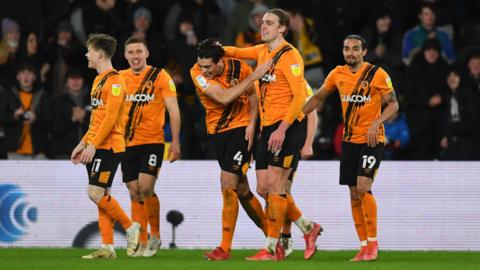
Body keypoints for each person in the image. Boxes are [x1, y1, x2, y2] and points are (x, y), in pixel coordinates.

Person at [224, 8, 322, 261]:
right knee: (264, 189)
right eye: (262, 22)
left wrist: (283, 128)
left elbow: (301, 96)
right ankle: (308, 227)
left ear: (282, 29)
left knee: (277, 187)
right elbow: (236, 51)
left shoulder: (291, 56)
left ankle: (271, 248)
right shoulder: (261, 51)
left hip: (286, 127)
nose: (263, 26)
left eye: (269, 23)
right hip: (267, 128)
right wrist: (215, 48)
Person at [303, 34, 399, 261]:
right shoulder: (337, 74)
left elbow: (393, 103)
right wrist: (295, 117)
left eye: (355, 48)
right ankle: (363, 245)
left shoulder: (377, 74)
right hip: (349, 141)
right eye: (347, 48)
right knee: (354, 193)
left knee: (364, 186)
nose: (350, 53)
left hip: (371, 141)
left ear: (364, 52)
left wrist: (377, 123)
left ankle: (373, 245)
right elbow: (318, 98)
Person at [190, 38, 270, 260]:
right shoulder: (195, 72)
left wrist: (252, 125)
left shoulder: (240, 67)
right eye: (201, 65)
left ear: (220, 61)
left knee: (227, 184)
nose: (203, 70)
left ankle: (224, 248)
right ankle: (274, 239)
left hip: (240, 129)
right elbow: (223, 98)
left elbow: (253, 96)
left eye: (208, 66)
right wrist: (255, 76)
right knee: (242, 190)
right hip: (217, 132)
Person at [70, 33, 140, 259]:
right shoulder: (98, 80)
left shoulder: (116, 82)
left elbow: (110, 119)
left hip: (109, 146)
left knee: (95, 192)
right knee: (102, 194)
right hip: (96, 144)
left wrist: (93, 146)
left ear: (99, 54)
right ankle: (108, 246)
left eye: (89, 50)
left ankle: (131, 227)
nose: (86, 54)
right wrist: (82, 143)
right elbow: (96, 119)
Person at [119, 36, 181, 257]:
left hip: (153, 141)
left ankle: (154, 235)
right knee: (134, 191)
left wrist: (175, 140)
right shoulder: (119, 78)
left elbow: (173, 110)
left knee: (146, 187)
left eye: (139, 51)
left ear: (147, 53)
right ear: (125, 55)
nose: (135, 56)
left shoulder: (160, 76)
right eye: (131, 52)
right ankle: (141, 241)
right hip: (127, 143)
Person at [0, 63, 50, 160]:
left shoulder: (42, 95)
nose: (26, 76)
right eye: (23, 73)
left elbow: (51, 119)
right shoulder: (8, 95)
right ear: (18, 77)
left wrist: (37, 118)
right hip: (14, 151)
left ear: (35, 77)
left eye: (29, 73)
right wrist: (13, 116)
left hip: (38, 151)